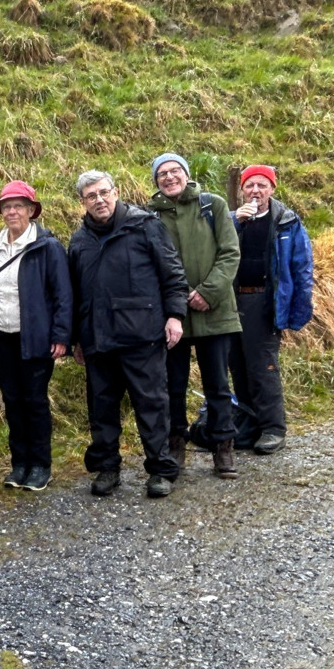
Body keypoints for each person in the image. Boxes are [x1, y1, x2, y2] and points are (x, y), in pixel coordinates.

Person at [67, 171, 188, 498]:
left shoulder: (145, 226)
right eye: (91, 196)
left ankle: (160, 470)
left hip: (142, 336)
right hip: (98, 339)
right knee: (101, 408)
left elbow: (173, 274)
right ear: (82, 202)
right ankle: (108, 468)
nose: (99, 200)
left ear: (116, 192)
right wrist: (77, 338)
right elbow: (75, 295)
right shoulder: (79, 241)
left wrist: (175, 315)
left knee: (152, 405)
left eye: (103, 192)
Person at [148, 152, 242, 478]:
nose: (169, 177)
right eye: (162, 173)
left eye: (175, 170)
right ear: (156, 181)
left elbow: (230, 252)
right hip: (172, 315)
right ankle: (176, 445)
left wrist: (208, 292)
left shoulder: (212, 205)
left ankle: (223, 447)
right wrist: (178, 298)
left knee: (218, 384)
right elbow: (149, 264)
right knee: (172, 386)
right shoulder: (150, 216)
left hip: (215, 311)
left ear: (186, 174)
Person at [0, 181, 72, 493]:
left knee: (34, 401)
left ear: (31, 211)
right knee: (12, 401)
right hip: (1, 336)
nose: (12, 211)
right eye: (7, 206)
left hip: (36, 337)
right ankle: (19, 463)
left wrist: (61, 335)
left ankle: (41, 465)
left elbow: (63, 294)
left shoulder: (48, 247)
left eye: (18, 206)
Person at [229, 164, 314, 454]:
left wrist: (297, 310)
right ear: (242, 190)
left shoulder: (287, 222)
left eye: (261, 185)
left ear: (272, 189)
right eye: (249, 186)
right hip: (231, 301)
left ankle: (273, 429)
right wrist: (234, 222)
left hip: (264, 300)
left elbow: (302, 267)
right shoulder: (232, 219)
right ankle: (249, 425)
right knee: (237, 364)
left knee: (262, 366)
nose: (255, 191)